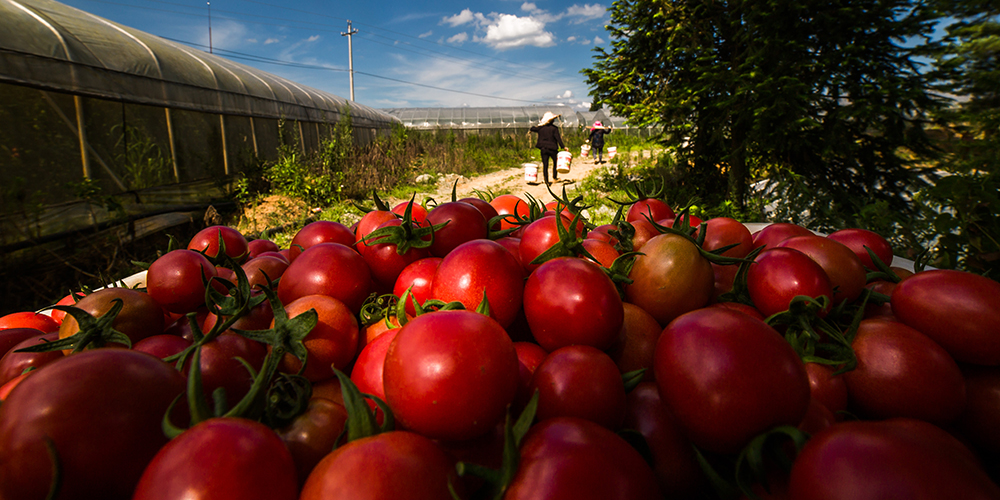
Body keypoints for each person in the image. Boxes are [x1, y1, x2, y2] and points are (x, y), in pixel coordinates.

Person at [528, 111, 569, 185]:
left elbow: (532, 128)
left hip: (543, 149)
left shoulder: (540, 128)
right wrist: (563, 147)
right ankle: (554, 178)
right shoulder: (554, 128)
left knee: (545, 165)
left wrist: (537, 126)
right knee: (555, 163)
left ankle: (546, 181)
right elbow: (558, 138)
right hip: (552, 149)